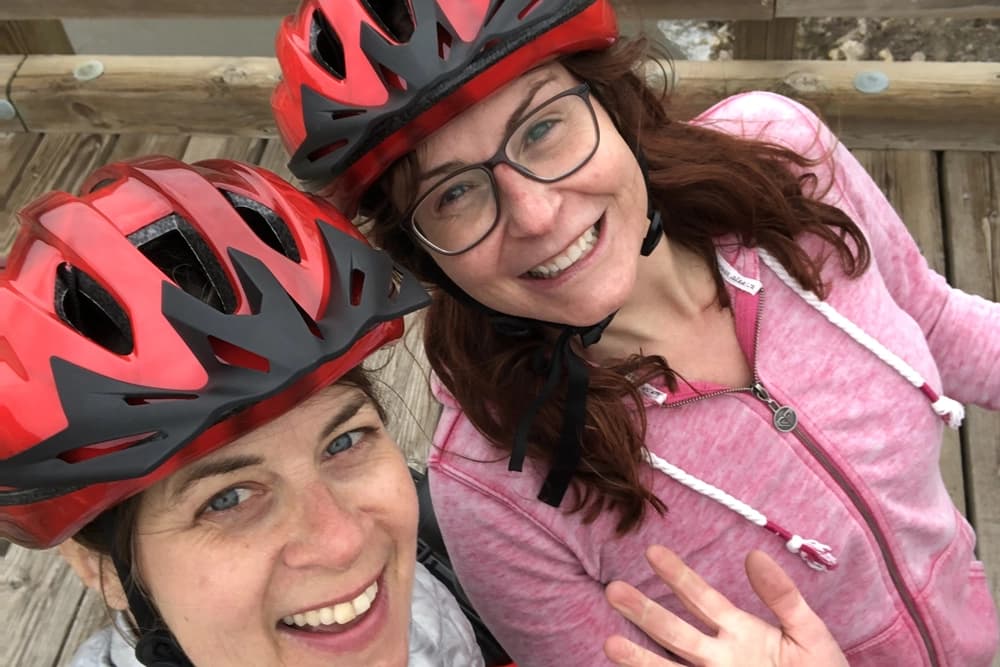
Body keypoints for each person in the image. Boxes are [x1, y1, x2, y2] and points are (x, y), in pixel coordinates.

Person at [270, 1, 1000, 666]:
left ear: (615, 105)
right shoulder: (496, 494)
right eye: (455, 192)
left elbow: (932, 319)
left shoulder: (783, 159)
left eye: (543, 127)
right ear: (422, 251)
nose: (535, 215)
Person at [0, 155, 848, 667]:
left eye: (346, 439)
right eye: (227, 496)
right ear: (101, 568)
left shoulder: (435, 609)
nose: (343, 539)